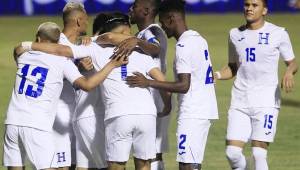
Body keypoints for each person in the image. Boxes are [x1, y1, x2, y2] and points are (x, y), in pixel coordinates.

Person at [19, 12, 172, 170]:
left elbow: (62, 51)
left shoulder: (97, 49)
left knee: (115, 166)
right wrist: (167, 105)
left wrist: (28, 45)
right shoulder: (142, 53)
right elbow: (163, 82)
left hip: (119, 114)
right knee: (144, 164)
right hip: (147, 114)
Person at [3, 22, 126, 170]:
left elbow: (18, 48)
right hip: (37, 125)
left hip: (12, 121)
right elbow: (87, 85)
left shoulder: (23, 55)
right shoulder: (62, 62)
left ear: (38, 39)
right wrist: (111, 65)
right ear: (57, 41)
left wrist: (31, 44)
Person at [126, 1, 218, 170]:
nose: (162, 26)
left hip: (192, 111)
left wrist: (148, 82)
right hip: (204, 109)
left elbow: (184, 85)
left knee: (186, 165)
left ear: (171, 19)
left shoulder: (183, 45)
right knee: (191, 162)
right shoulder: (199, 39)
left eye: (162, 22)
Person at [213, 0, 298, 169]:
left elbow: (293, 62)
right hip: (240, 101)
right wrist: (216, 75)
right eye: (247, 5)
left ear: (264, 10)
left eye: (254, 5)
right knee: (232, 153)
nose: (249, 8)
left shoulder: (278, 33)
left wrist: (289, 72)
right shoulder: (234, 34)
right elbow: (233, 67)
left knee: (259, 154)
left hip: (266, 102)